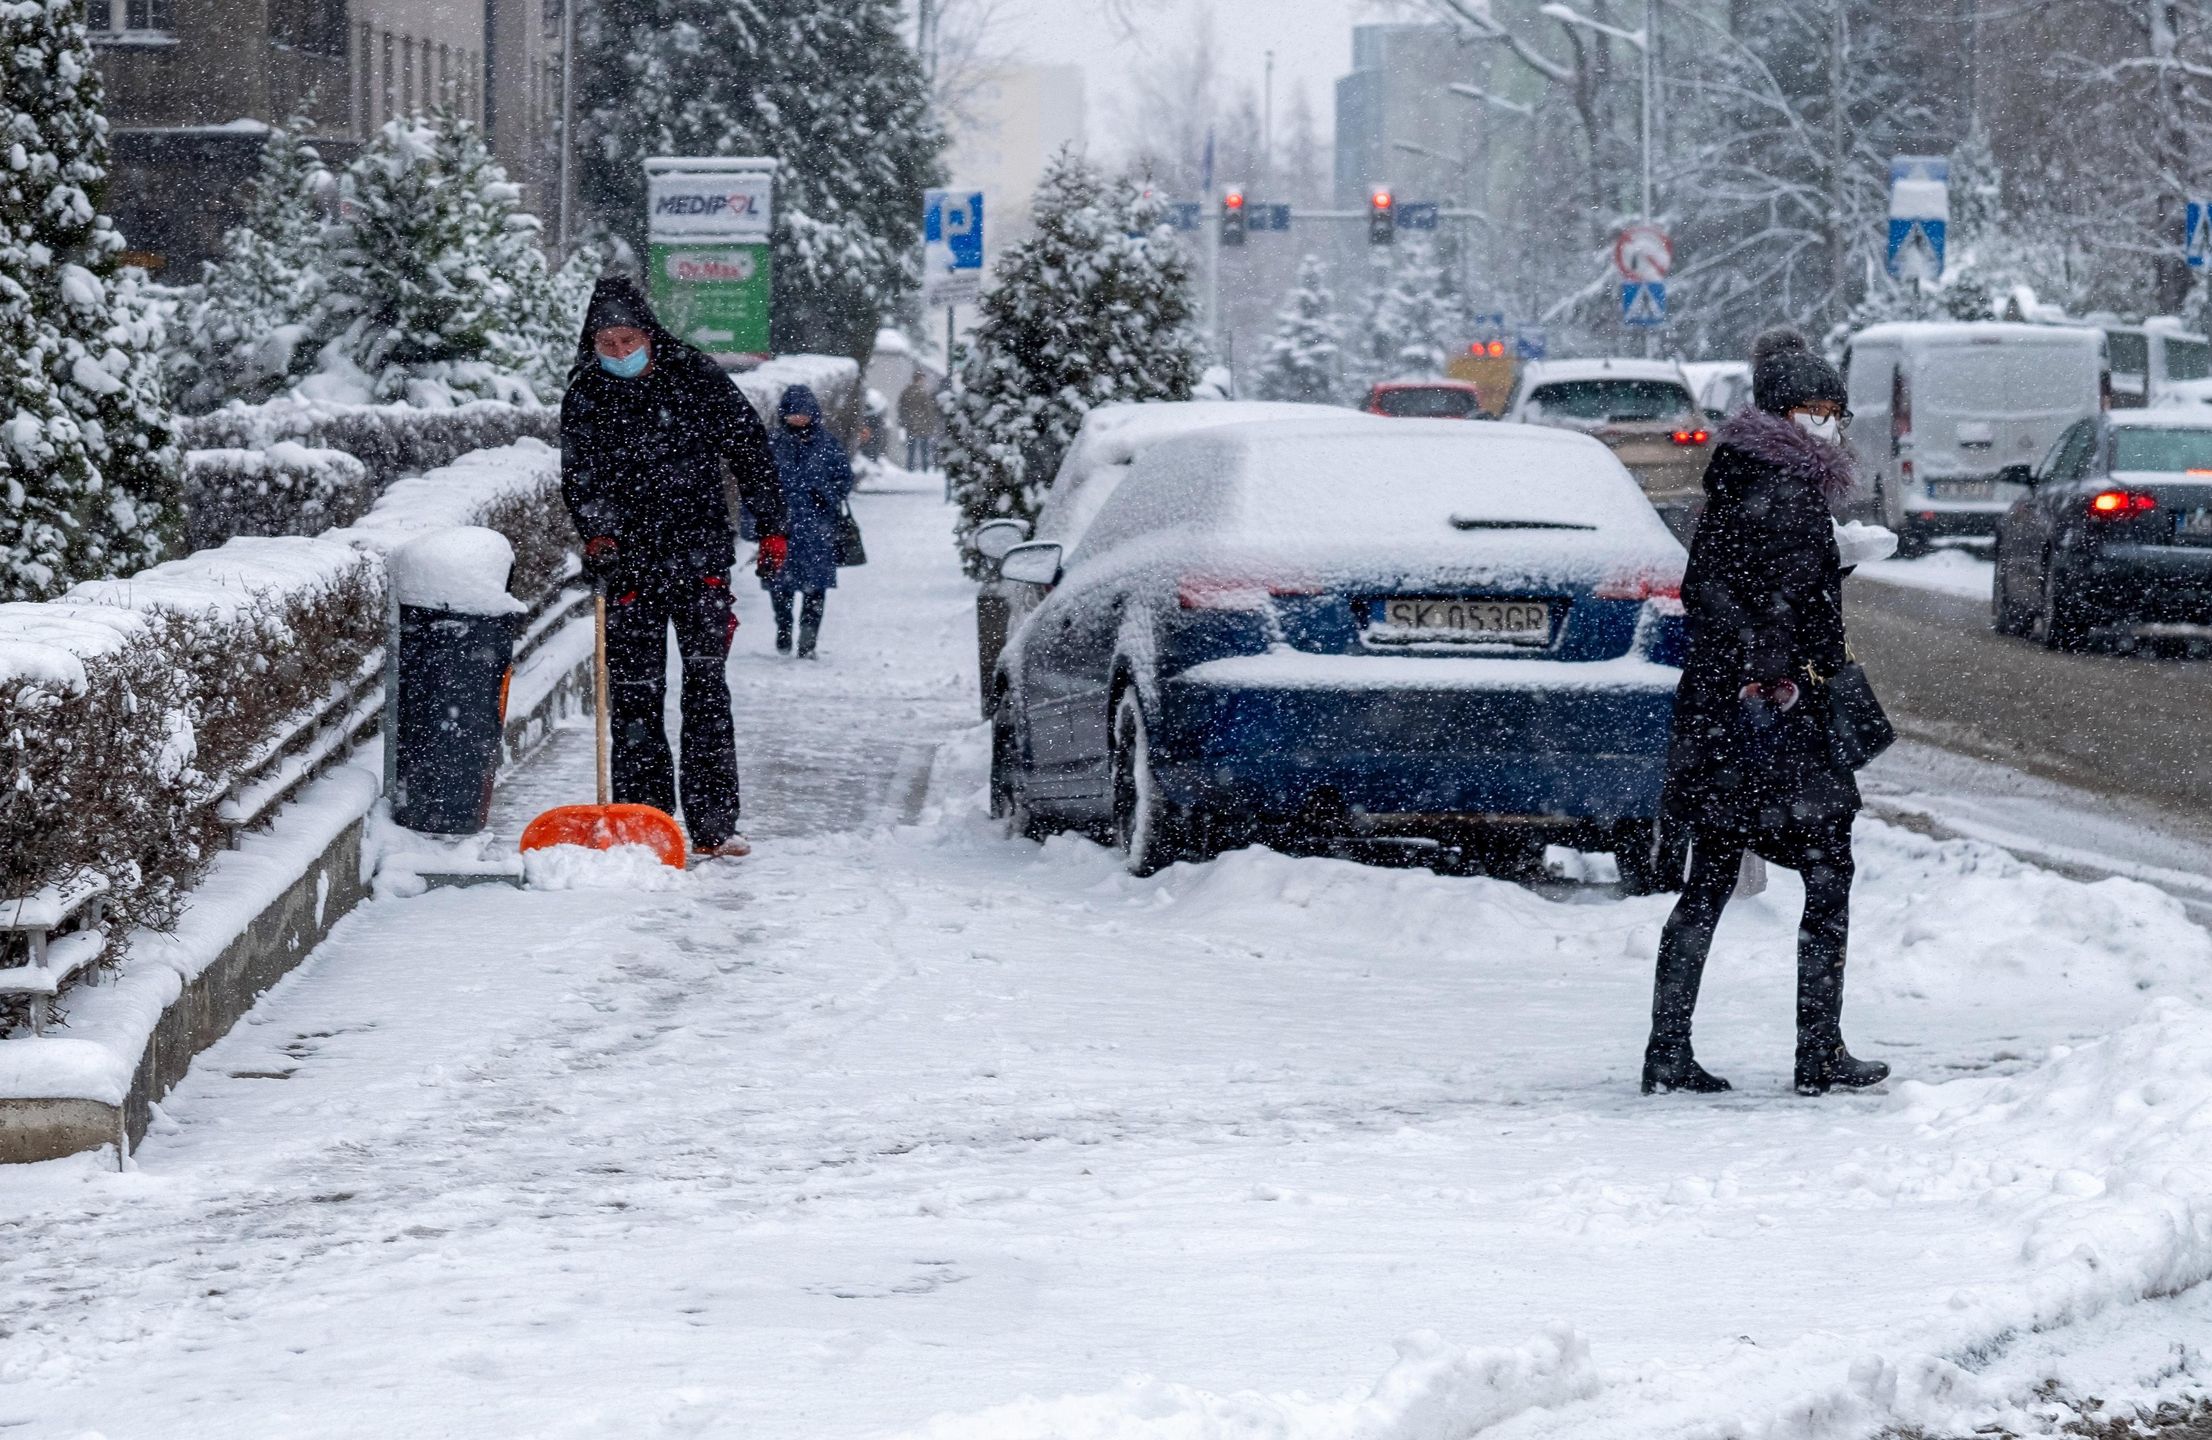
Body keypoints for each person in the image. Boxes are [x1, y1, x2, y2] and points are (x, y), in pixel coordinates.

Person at [1643, 328, 1891, 1099]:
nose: (1832, 424)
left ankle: (1667, 1049)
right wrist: (1772, 669)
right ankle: (1818, 1052)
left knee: (1710, 879)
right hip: (1776, 721)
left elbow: (1714, 586)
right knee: (1828, 874)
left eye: (1836, 412)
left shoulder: (1742, 476)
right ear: (1790, 413)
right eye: (1822, 410)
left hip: (1728, 719)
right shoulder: (1783, 487)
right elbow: (1762, 597)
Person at [559, 275, 789, 860]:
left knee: (706, 687)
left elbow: (749, 450)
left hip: (700, 559)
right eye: (606, 345)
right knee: (635, 694)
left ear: (649, 334)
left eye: (628, 340)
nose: (619, 353)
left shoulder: (697, 378)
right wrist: (599, 531)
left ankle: (713, 823)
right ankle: (646, 820)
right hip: (629, 566)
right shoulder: (587, 392)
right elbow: (579, 474)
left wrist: (772, 525)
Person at [763, 384, 855, 659]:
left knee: (816, 588)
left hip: (818, 529)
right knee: (780, 587)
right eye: (793, 413)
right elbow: (756, 484)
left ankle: (808, 636)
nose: (798, 418)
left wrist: (823, 490)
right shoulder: (772, 444)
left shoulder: (827, 444)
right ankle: (784, 626)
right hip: (782, 528)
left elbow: (844, 480)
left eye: (803, 412)